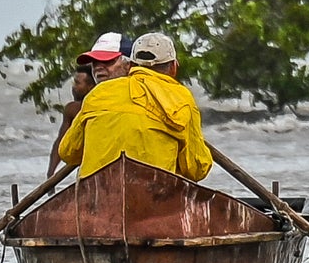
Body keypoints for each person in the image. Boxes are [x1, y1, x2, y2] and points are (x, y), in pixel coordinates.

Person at [52, 29, 214, 182]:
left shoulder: (98, 93)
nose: (98, 68)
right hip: (155, 194)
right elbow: (197, 169)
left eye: (107, 62)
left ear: (131, 65)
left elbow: (68, 153)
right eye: (95, 63)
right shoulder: (182, 97)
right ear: (173, 67)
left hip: (99, 192)